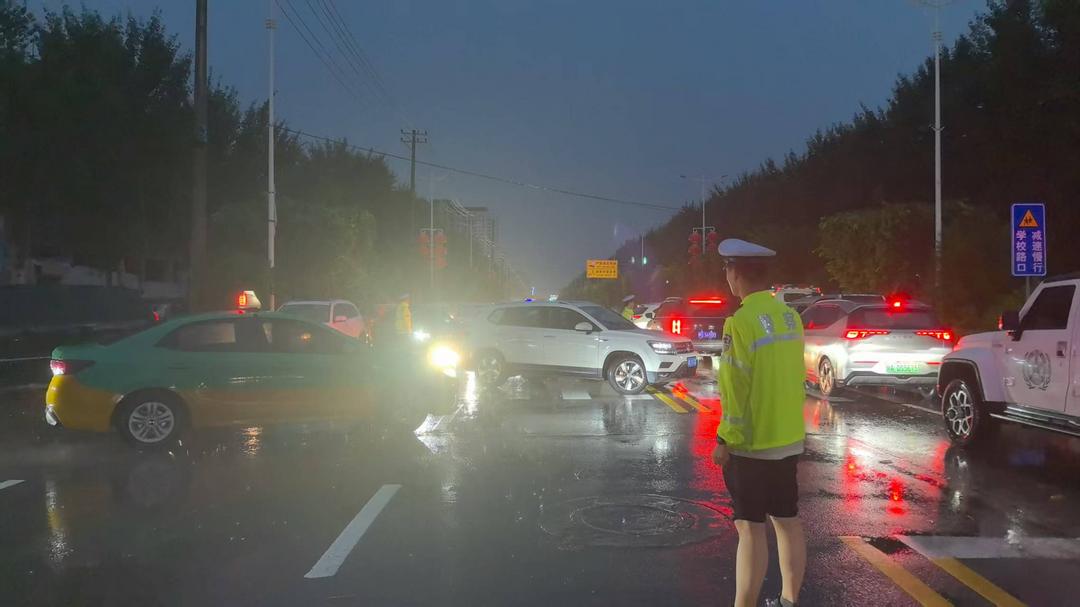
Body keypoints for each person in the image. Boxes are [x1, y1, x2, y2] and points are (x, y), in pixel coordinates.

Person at [712, 238, 807, 607]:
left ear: (736, 274)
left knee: (750, 528)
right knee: (787, 520)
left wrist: (725, 438)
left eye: (727, 270)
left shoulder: (740, 322)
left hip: (751, 444)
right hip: (788, 438)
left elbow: (735, 388)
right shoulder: (790, 317)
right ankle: (789, 600)